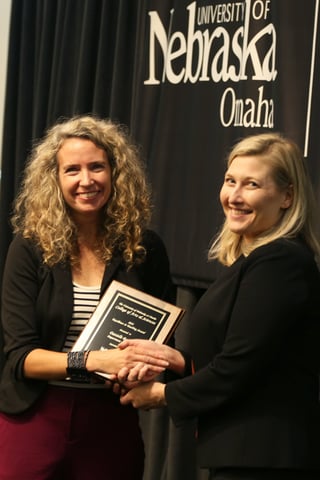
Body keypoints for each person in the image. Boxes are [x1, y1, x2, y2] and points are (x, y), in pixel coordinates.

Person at [119, 133, 320, 480]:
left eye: (252, 184)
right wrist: (178, 361)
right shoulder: (254, 259)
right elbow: (255, 358)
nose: (235, 196)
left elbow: (240, 367)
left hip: (265, 461)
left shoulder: (281, 261)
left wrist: (163, 394)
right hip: (246, 456)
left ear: (287, 196)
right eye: (230, 181)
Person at [0, 114, 184, 480]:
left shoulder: (145, 248)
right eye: (72, 170)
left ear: (116, 173)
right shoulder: (30, 248)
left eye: (97, 167)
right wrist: (95, 359)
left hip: (110, 418)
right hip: (35, 415)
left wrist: (138, 369)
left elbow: (162, 345)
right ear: (54, 180)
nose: (87, 180)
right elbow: (21, 357)